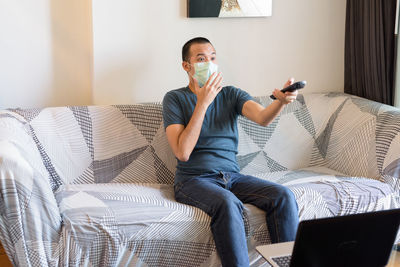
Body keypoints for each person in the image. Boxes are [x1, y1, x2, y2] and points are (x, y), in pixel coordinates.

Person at [162, 37, 299, 267]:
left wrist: (281, 102)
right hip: (193, 181)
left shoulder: (231, 95)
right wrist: (203, 103)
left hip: (232, 177)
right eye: (201, 59)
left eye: (213, 57)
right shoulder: (174, 99)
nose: (210, 63)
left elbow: (263, 118)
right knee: (228, 203)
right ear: (187, 66)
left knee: (282, 196)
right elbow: (183, 152)